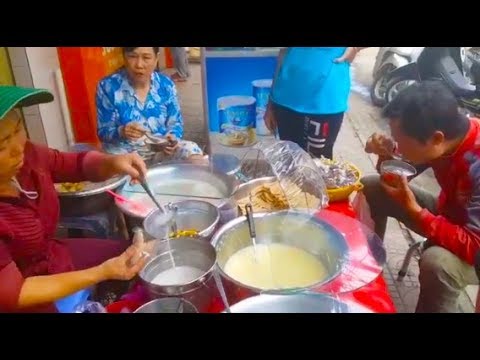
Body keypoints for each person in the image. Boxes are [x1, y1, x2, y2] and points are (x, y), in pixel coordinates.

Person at [0, 85, 149, 313]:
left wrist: (113, 163)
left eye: (19, 127)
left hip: (53, 258)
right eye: (2, 143)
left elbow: (75, 164)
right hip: (25, 296)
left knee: (137, 256)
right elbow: (14, 294)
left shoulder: (29, 156)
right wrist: (102, 272)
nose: (17, 148)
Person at [361, 80, 480, 313]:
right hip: (451, 214)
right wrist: (384, 154)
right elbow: (394, 182)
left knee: (437, 264)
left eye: (401, 141)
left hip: (475, 246)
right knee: (372, 187)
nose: (398, 147)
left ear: (436, 139)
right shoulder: (448, 134)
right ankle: (368, 271)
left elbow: (476, 247)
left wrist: (417, 212)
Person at [96, 47, 203, 163]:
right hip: (124, 155)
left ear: (156, 58)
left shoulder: (166, 85)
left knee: (192, 151)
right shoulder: (108, 87)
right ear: (124, 57)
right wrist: (122, 131)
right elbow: (103, 131)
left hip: (161, 150)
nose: (139, 65)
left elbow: (175, 123)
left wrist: (172, 138)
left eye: (146, 57)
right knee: (112, 161)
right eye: (132, 56)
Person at [264, 47, 368, 159]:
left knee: (318, 165)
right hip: (285, 98)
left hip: (323, 101)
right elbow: (283, 52)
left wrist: (355, 48)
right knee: (290, 162)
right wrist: (271, 103)